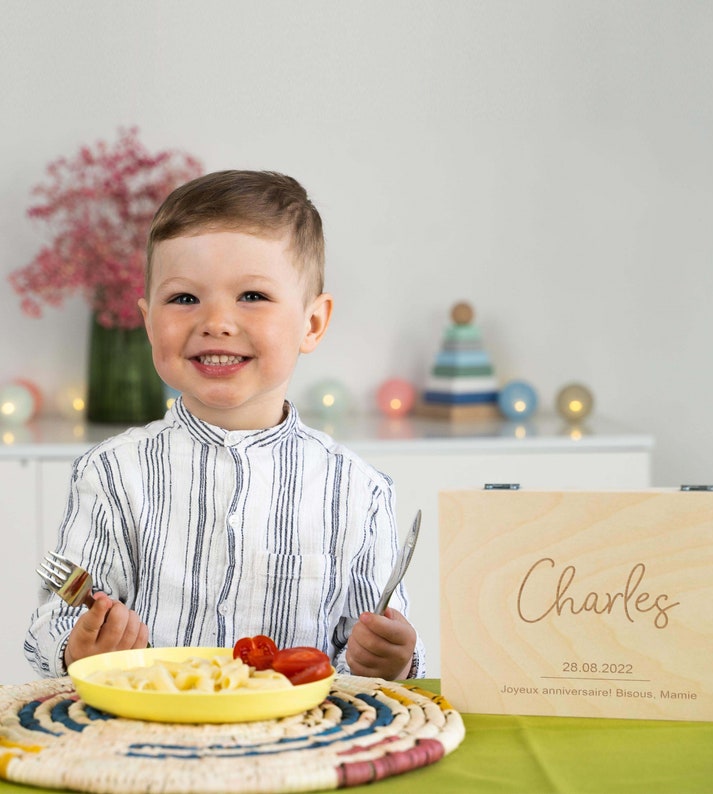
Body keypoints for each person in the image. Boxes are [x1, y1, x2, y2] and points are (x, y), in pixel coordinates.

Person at [25, 170, 425, 681]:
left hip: (301, 746)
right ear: (149, 323)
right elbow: (53, 624)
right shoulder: (110, 474)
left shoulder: (358, 491)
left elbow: (367, 651)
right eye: (184, 298)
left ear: (313, 324)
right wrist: (76, 650)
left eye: (252, 296)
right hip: (151, 740)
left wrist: (387, 658)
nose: (215, 321)